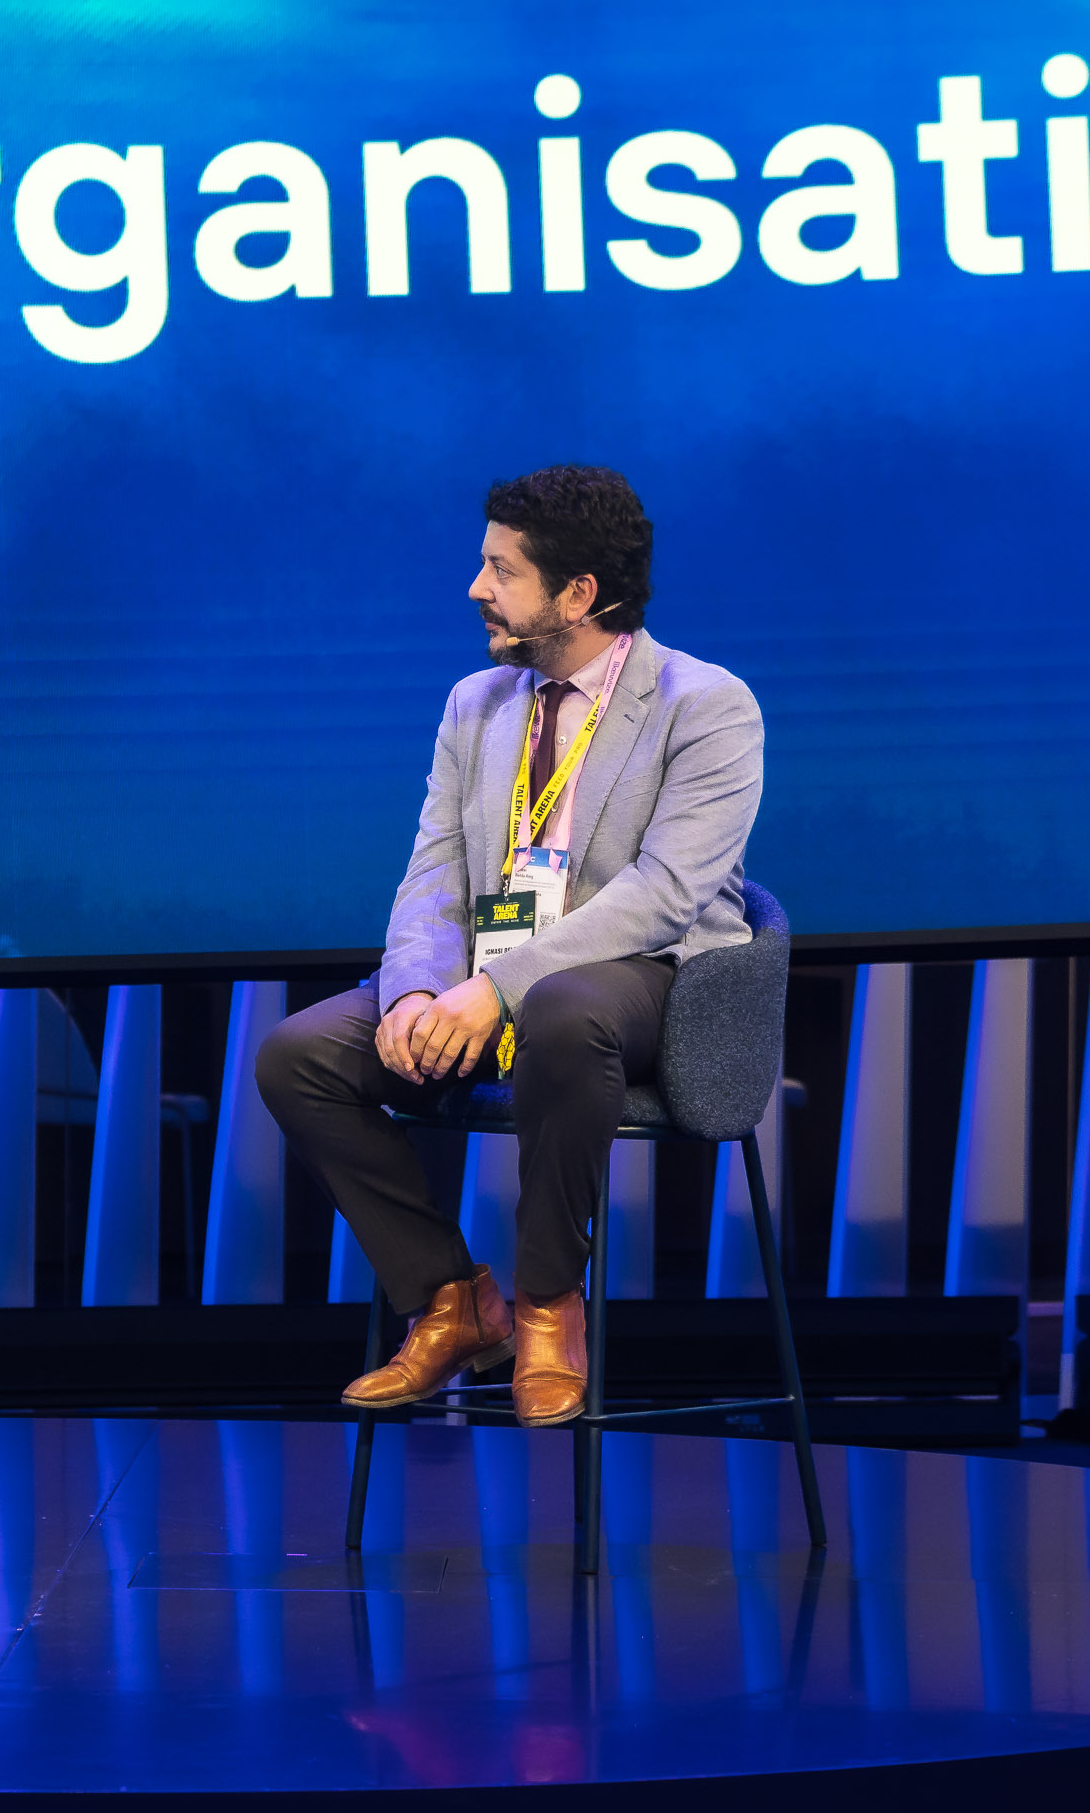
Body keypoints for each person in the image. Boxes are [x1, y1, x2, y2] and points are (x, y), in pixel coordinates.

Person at [256, 465, 768, 1424]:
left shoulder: (707, 705)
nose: (476, 588)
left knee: (566, 1014)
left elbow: (663, 896)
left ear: (579, 594)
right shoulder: (476, 704)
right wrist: (413, 991)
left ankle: (545, 1304)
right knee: (301, 1057)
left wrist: (499, 990)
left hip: (646, 981)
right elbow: (436, 872)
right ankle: (454, 1303)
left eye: (501, 569)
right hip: (486, 983)